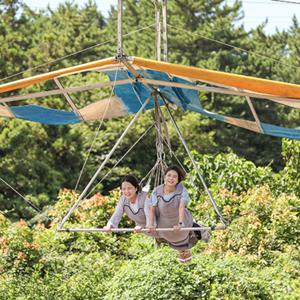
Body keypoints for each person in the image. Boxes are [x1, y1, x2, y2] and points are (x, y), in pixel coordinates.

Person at [148, 165, 199, 263]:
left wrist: (180, 223)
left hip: (180, 220)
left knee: (183, 230)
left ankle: (194, 229)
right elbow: (152, 208)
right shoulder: (157, 191)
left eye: (174, 177)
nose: (171, 178)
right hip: (164, 222)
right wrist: (151, 224)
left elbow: (181, 207)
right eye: (169, 175)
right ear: (164, 177)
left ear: (178, 180)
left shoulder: (182, 190)